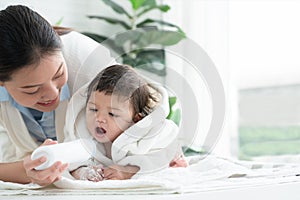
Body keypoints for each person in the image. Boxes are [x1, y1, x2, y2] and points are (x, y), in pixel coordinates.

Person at [0, 5, 114, 185]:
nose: (53, 94)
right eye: (32, 89)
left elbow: (147, 105)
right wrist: (25, 171)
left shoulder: (89, 61)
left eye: (58, 74)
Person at [64, 64, 187, 182]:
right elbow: (68, 161)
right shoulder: (81, 132)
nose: (99, 118)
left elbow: (164, 152)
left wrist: (128, 171)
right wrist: (83, 172)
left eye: (112, 114)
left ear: (136, 119)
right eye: (93, 109)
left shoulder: (146, 134)